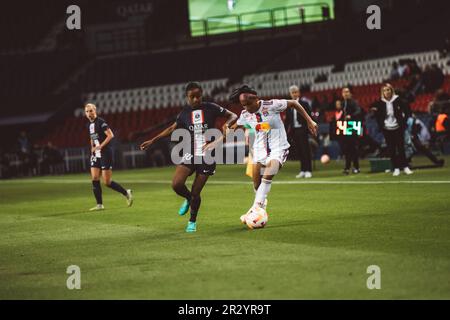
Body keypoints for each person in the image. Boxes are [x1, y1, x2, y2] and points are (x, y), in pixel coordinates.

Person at [140, 82, 237, 233]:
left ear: (202, 95)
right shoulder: (184, 113)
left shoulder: (211, 107)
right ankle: (188, 198)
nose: (196, 99)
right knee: (176, 184)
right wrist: (153, 140)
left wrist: (226, 125)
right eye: (192, 97)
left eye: (198, 96)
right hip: (190, 153)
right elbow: (173, 128)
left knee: (196, 192)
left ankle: (192, 221)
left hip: (208, 155)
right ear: (187, 97)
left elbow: (233, 115)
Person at [228, 85, 317, 224]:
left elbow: (294, 103)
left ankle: (255, 208)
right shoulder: (245, 114)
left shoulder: (271, 105)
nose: (246, 108)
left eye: (248, 104)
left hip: (278, 148)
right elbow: (237, 125)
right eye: (243, 105)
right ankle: (260, 206)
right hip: (259, 150)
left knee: (269, 173)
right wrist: (230, 127)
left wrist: (309, 120)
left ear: (256, 99)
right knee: (256, 182)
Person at [85, 103, 133, 211]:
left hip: (106, 153)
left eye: (91, 111)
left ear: (95, 110)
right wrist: (92, 148)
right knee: (94, 178)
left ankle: (126, 193)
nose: (89, 113)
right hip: (96, 154)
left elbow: (110, 135)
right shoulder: (88, 125)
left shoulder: (101, 122)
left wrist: (100, 146)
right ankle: (99, 204)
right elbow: (92, 137)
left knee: (107, 182)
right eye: (87, 111)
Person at [372, 84, 413, 176]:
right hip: (387, 128)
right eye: (385, 90)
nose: (387, 92)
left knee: (401, 147)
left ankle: (405, 167)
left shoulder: (398, 100)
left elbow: (407, 111)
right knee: (391, 149)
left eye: (388, 90)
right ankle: (396, 168)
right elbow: (378, 116)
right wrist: (382, 125)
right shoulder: (380, 102)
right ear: (383, 93)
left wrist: (403, 122)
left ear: (391, 91)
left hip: (398, 127)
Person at [285, 85, 314, 178]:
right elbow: (288, 120)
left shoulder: (304, 104)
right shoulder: (288, 105)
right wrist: (285, 131)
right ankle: (302, 170)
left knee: (306, 150)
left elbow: (309, 117)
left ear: (299, 93)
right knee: (299, 151)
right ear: (290, 94)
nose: (294, 94)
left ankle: (308, 170)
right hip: (294, 131)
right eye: (292, 93)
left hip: (303, 129)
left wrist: (309, 128)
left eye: (296, 92)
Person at [341, 87, 362, 174]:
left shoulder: (354, 102)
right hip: (345, 126)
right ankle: (347, 167)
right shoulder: (343, 103)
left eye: (347, 92)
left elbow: (358, 111)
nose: (346, 93)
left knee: (353, 148)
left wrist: (351, 116)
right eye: (344, 92)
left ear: (350, 93)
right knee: (347, 148)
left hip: (353, 125)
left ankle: (356, 167)